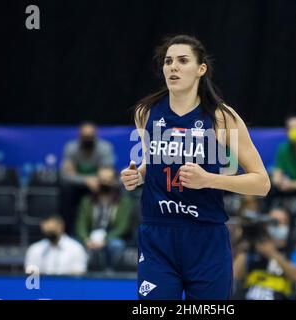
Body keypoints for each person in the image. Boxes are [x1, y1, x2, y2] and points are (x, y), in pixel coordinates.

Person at [120, 35, 270, 300]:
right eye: (168, 61)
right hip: (158, 234)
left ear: (201, 69)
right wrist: (138, 174)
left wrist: (208, 179)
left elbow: (261, 183)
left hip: (205, 237)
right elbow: (153, 160)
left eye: (182, 60)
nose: (173, 67)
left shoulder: (223, 118)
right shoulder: (146, 112)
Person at [233, 207, 296, 300]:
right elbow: (236, 275)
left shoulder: (295, 250)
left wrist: (272, 253)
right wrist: (245, 248)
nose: (277, 225)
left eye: (282, 222)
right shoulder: (254, 246)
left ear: (289, 226)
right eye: (274, 221)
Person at [60, 122, 115, 233]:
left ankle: (102, 231)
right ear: (79, 136)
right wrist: (86, 180)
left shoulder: (105, 148)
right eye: (85, 137)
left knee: (110, 185)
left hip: (98, 184)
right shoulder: (71, 148)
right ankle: (68, 232)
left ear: (95, 135)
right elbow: (65, 175)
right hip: (76, 186)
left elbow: (106, 174)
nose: (88, 139)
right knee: (66, 188)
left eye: (90, 136)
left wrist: (79, 175)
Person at [75, 166, 134, 270]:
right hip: (90, 236)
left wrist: (105, 240)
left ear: (115, 182)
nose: (104, 183)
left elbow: (122, 227)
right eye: (102, 180)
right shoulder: (87, 201)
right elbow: (81, 224)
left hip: (111, 236)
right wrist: (86, 239)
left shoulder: (123, 202)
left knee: (117, 245)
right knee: (74, 243)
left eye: (108, 180)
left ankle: (110, 272)